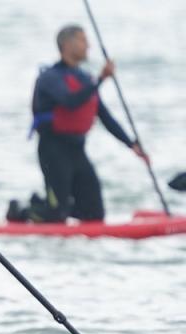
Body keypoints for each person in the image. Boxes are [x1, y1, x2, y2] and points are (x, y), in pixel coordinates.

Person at [23, 24, 148, 222]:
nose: (88, 46)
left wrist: (131, 144)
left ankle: (53, 204)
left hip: (77, 150)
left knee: (95, 214)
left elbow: (104, 116)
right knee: (57, 216)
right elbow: (69, 101)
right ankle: (23, 211)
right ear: (66, 44)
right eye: (82, 40)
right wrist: (100, 79)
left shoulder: (84, 78)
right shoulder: (49, 77)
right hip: (53, 151)